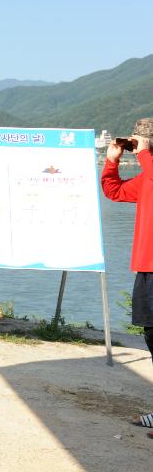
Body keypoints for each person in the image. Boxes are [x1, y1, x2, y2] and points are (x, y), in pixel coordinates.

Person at [100, 118, 153, 438]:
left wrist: (144, 153)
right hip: (146, 269)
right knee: (151, 335)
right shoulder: (147, 178)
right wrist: (112, 160)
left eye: (139, 143)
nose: (137, 147)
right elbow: (114, 191)